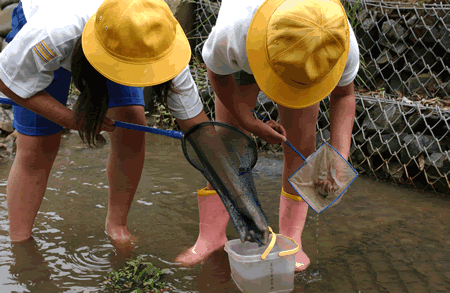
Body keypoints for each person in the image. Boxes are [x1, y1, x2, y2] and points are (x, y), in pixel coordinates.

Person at [0, 0, 209, 243]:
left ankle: (117, 227)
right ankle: (20, 241)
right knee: (37, 146)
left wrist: (231, 189)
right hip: (58, 22)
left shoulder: (158, 39)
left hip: (123, 31)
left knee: (132, 123)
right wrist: (72, 120)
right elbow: (7, 82)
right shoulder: (51, 32)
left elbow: (200, 131)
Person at [175, 0, 359, 271]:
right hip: (249, 48)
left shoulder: (336, 41)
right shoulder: (235, 30)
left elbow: (344, 94)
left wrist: (339, 158)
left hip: (304, 61)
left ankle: (290, 239)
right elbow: (217, 73)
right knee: (226, 144)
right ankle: (211, 236)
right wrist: (248, 121)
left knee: (300, 145)